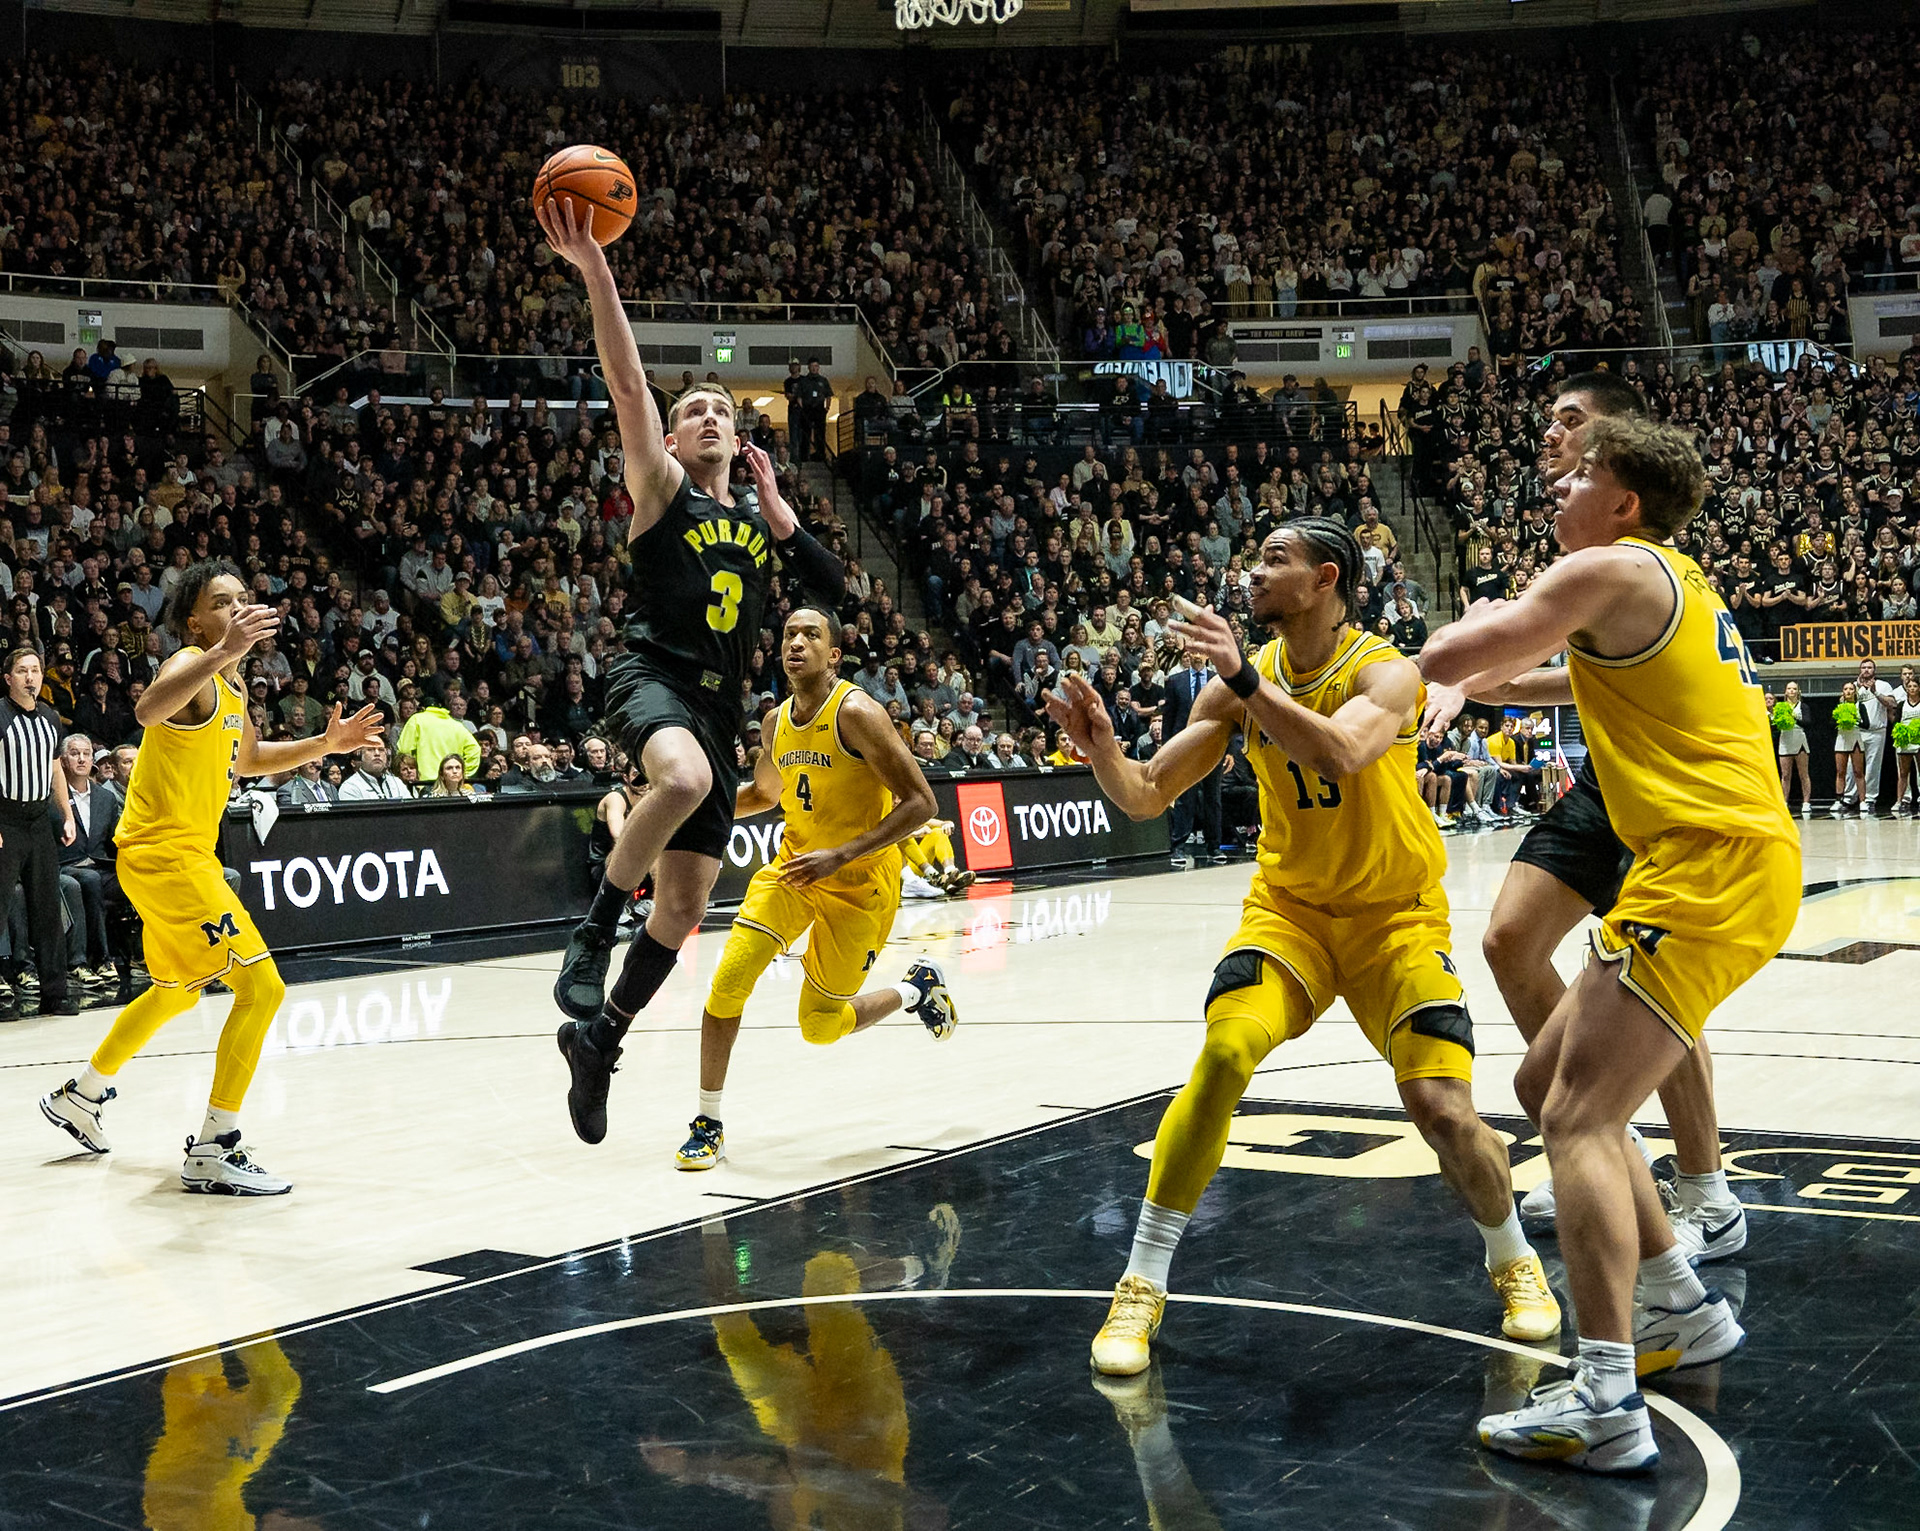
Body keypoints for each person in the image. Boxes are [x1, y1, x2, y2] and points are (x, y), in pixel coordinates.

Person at [1050, 517, 1560, 1383]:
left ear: (1326, 578)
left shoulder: (1386, 669)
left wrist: (1244, 678)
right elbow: (1144, 795)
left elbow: (1346, 750)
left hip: (1395, 918)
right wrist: (1102, 748)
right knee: (1223, 1052)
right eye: (1254, 558)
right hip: (1290, 913)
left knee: (1441, 1108)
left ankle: (1511, 1255)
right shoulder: (1238, 684)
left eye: (1274, 560)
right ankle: (1140, 1281)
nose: (1253, 572)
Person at [1423, 418, 1799, 1474]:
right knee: (1550, 1075)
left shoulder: (1611, 564)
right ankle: (1677, 1302)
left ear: (1624, 500)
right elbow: (1564, 679)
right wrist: (1501, 673)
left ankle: (1604, 1399)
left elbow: (1454, 655)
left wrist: (1361, 682)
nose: (1558, 481)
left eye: (1581, 471)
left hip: (1704, 867)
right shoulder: (1670, 581)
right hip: (1728, 862)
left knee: (1578, 1116)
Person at [536, 196, 846, 1149]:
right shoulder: (661, 491)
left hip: (716, 705)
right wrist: (598, 273)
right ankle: (589, 935)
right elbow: (628, 387)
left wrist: (781, 506)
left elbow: (834, 589)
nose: (708, 415)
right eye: (693, 411)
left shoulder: (756, 525)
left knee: (682, 909)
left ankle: (600, 1040)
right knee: (680, 779)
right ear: (671, 442)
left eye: (722, 408)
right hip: (651, 677)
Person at [1421, 372, 1740, 1265]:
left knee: (1654, 978)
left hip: (1670, 786)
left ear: (1617, 446)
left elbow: (1499, 645)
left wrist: (1457, 672)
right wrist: (1495, 682)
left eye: (1570, 424)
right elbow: (1574, 668)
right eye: (1549, 422)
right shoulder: (1580, 536)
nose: (1550, 439)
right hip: (1609, 772)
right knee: (1510, 942)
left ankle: (1704, 1189)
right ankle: (1608, 1140)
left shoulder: (1627, 546)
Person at [40, 562, 382, 1194]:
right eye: (221, 603)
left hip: (169, 858)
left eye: (242, 600)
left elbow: (249, 758)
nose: (237, 608)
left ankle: (80, 1095)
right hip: (167, 857)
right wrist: (222, 649)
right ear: (195, 620)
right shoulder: (190, 665)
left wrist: (324, 745)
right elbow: (145, 710)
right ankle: (215, 1145)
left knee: (178, 990)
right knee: (262, 988)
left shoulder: (231, 689)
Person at [677, 608, 957, 1169]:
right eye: (788, 635)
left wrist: (844, 854)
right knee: (727, 984)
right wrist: (683, 807)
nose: (796, 643)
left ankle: (916, 989)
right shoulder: (775, 723)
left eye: (811, 635)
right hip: (795, 870)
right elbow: (762, 795)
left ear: (833, 655)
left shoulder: (856, 712)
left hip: (859, 881)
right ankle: (707, 1122)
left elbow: (922, 802)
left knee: (820, 1026)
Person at [0, 649, 78, 1016]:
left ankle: (55, 992)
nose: (30, 677)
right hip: (5, 820)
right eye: (22, 671)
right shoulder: (0, 714)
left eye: (35, 670)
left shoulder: (49, 717)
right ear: (8, 679)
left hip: (37, 820)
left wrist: (66, 815)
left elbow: (56, 771)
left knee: (48, 908)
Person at [55, 733, 120, 986]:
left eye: (86, 754)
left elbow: (115, 840)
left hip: (100, 867)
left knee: (142, 881)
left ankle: (144, 957)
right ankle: (100, 959)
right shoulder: (52, 797)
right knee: (88, 880)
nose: (81, 759)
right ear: (62, 760)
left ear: (93, 759)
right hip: (65, 867)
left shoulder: (105, 797)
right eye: (74, 753)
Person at [396, 698, 481, 786]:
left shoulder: (416, 719)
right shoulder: (456, 725)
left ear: (421, 709)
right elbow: (475, 749)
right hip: (451, 782)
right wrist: (463, 773)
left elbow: (404, 750)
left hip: (425, 782)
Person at [1855, 658, 1897, 815]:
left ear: (1874, 670)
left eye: (1869, 667)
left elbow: (1892, 704)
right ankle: (1852, 798)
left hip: (1877, 730)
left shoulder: (1883, 685)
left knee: (1873, 766)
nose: (1866, 670)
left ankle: (1870, 797)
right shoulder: (1854, 686)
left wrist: (1875, 692)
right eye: (1863, 667)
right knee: (1854, 767)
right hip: (1857, 732)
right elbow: (1842, 703)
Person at [1774, 680, 1812, 815]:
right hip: (1785, 739)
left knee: (1803, 774)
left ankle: (1806, 802)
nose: (1791, 691)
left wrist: (1794, 717)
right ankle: (1784, 801)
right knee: (1785, 775)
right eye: (1789, 688)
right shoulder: (1780, 706)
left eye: (1794, 689)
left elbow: (1808, 722)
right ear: (1785, 691)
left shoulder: (1803, 706)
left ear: (1798, 692)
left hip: (1799, 738)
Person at [1831, 681, 1866, 816]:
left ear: (1855, 692)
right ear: (1843, 692)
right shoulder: (1839, 706)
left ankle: (1862, 801)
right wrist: (1840, 718)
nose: (1848, 691)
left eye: (1851, 689)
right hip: (1842, 738)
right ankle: (1839, 800)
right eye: (1846, 689)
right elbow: (1830, 723)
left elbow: (1867, 724)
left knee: (1858, 771)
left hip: (1856, 738)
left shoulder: (1860, 706)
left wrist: (1855, 719)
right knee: (1840, 772)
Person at [336, 742, 413, 803]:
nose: (377, 753)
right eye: (370, 749)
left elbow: (411, 812)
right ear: (361, 757)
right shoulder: (350, 787)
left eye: (381, 750)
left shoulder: (397, 782)